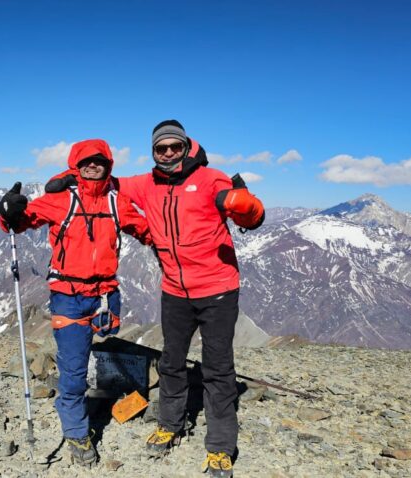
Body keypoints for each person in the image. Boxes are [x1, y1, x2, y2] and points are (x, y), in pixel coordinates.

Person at [117, 120, 264, 477]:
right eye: (160, 148)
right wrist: (62, 179)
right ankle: (170, 424)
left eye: (174, 147)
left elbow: (254, 215)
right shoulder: (145, 183)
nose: (168, 153)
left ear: (186, 147)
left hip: (217, 290)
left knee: (217, 368)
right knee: (171, 361)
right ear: (152, 152)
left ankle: (220, 447)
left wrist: (244, 205)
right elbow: (101, 179)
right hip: (174, 291)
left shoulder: (211, 178)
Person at [0, 138, 152, 466]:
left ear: (108, 166)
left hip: (107, 296)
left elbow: (146, 231)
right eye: (86, 162)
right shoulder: (60, 199)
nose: (93, 166)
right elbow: (20, 222)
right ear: (76, 166)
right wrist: (8, 212)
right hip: (68, 297)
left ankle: (93, 392)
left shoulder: (116, 202)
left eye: (100, 161)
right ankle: (77, 432)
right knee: (74, 368)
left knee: (105, 338)